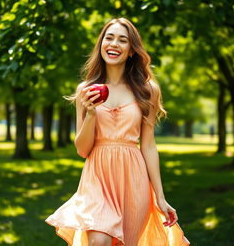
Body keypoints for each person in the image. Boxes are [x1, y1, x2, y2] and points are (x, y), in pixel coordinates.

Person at [45, 17, 190, 246]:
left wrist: (160, 197)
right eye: (109, 37)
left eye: (122, 40)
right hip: (97, 176)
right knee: (98, 241)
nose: (114, 44)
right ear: (101, 44)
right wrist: (91, 114)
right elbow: (82, 150)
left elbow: (149, 145)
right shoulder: (86, 90)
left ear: (132, 50)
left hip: (134, 178)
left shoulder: (147, 90)